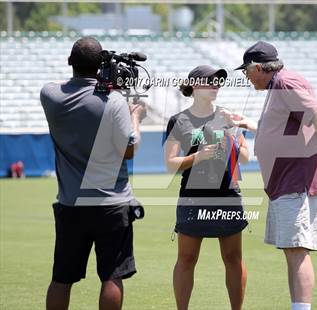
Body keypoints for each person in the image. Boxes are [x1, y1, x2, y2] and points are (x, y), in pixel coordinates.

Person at [40, 36, 146, 310]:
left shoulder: (50, 96)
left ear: (69, 62)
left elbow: (64, 88)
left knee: (61, 278)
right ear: (100, 66)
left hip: (71, 203)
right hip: (112, 204)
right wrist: (135, 115)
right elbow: (129, 150)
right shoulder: (113, 100)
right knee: (111, 276)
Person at [224, 41, 317, 310]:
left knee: (297, 251)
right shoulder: (278, 85)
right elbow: (285, 128)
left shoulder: (284, 83)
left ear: (259, 67)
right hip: (288, 181)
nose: (246, 76)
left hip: (296, 181)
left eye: (247, 70)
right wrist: (248, 123)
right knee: (293, 251)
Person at [164, 65, 249, 310]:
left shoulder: (228, 116)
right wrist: (198, 157)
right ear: (194, 86)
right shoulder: (178, 120)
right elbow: (171, 164)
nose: (216, 85)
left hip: (228, 195)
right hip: (193, 197)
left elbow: (244, 157)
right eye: (210, 81)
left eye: (218, 81)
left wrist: (232, 141)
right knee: (187, 259)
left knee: (233, 259)